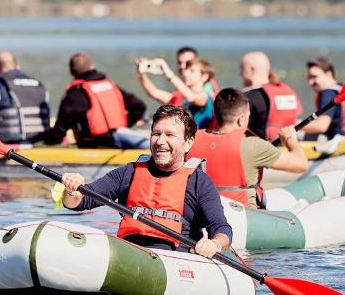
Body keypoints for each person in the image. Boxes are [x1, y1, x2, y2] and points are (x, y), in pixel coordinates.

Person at [60, 105, 231, 258]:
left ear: (188, 143)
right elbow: (79, 202)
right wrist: (72, 191)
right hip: (129, 255)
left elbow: (222, 229)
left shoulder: (199, 182)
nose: (160, 141)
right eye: (156, 134)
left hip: (174, 261)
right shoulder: (129, 172)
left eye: (170, 135)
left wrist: (214, 244)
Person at [188, 89, 308, 208]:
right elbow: (301, 164)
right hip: (243, 217)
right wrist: (289, 138)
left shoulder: (191, 141)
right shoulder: (254, 145)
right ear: (241, 119)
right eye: (248, 116)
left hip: (202, 213)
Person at [30, 53, 148, 149]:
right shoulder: (110, 85)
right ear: (92, 66)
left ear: (71, 72)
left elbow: (59, 133)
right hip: (120, 137)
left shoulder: (74, 95)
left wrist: (42, 142)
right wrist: (123, 125)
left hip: (96, 145)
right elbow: (139, 107)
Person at [136, 56, 216, 129]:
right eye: (186, 70)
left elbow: (191, 97)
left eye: (192, 71)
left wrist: (168, 73)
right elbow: (153, 92)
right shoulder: (181, 97)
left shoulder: (205, 97)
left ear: (204, 77)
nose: (185, 73)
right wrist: (141, 74)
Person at [240, 51, 303, 141]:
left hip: (264, 148)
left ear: (252, 69)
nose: (240, 74)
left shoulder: (249, 96)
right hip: (289, 144)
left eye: (242, 69)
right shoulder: (287, 91)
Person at [302, 57, 345, 141]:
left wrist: (294, 124)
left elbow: (322, 126)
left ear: (329, 74)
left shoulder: (327, 93)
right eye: (309, 78)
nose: (310, 82)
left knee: (295, 135)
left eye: (314, 77)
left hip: (338, 141)